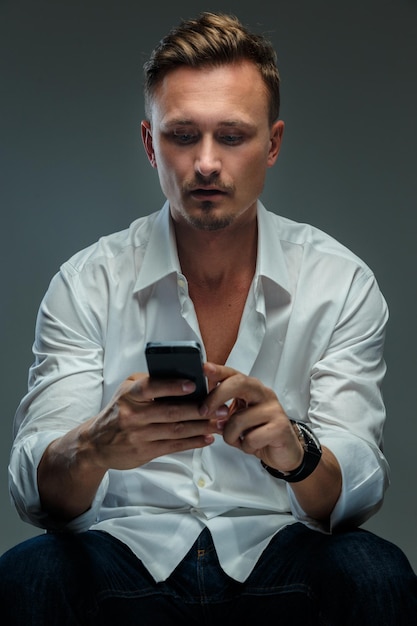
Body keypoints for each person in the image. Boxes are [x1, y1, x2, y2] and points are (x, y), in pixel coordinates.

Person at [1, 11, 416, 625]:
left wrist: (295, 451)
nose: (205, 163)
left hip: (279, 549)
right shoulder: (88, 281)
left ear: (272, 144)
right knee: (26, 578)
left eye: (232, 136)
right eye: (182, 135)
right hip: (123, 551)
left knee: (376, 577)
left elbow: (352, 496)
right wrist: (93, 445)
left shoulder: (340, 281)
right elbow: (38, 494)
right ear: (149, 143)